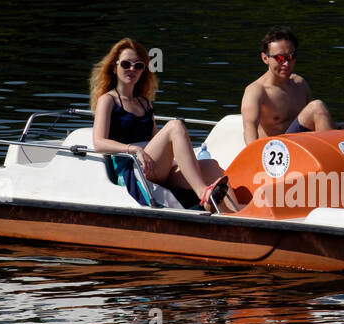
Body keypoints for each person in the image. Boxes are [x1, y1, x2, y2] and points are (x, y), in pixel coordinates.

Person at [90, 38, 235, 212]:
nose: (132, 69)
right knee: (175, 125)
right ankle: (203, 193)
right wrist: (133, 149)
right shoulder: (108, 100)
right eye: (126, 64)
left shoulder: (145, 103)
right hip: (132, 166)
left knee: (211, 165)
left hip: (153, 164)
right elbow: (98, 143)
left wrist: (174, 162)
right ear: (114, 67)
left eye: (138, 66)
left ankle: (237, 214)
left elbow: (156, 142)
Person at [241, 27, 344, 145]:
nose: (286, 63)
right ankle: (333, 157)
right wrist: (256, 160)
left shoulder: (300, 84)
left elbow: (312, 122)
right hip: (275, 153)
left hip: (300, 147)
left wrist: (338, 127)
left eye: (291, 57)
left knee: (320, 110)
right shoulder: (256, 91)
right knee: (317, 106)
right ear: (265, 58)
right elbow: (249, 131)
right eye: (279, 58)